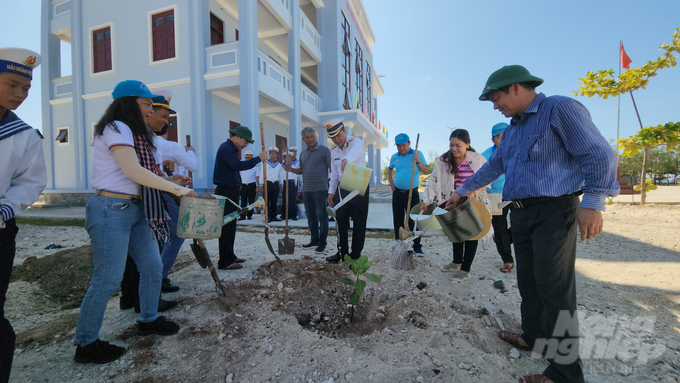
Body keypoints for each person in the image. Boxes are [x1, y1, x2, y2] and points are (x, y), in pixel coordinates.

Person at [449, 65, 619, 383]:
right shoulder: (513, 130)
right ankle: (534, 337)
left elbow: (599, 153)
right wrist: (461, 191)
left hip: (555, 211)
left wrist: (594, 202)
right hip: (521, 212)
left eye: (496, 98)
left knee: (556, 290)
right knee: (529, 281)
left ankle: (565, 373)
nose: (495, 105)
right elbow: (494, 167)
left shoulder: (558, 108)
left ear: (516, 88)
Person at [74, 80, 197, 364]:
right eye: (147, 105)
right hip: (110, 209)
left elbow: (138, 174)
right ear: (130, 103)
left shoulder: (135, 135)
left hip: (136, 208)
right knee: (107, 279)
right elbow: (131, 170)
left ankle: (148, 319)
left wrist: (169, 180)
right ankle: (86, 343)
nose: (150, 110)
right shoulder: (116, 128)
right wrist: (176, 189)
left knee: (153, 267)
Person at [0, 47, 47, 381]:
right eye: (12, 84)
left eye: (26, 88)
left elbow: (31, 182)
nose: (20, 94)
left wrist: (6, 207)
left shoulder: (23, 135)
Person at [421, 129, 490, 279]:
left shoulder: (477, 159)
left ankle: (465, 269)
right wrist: (425, 200)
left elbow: (487, 179)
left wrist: (474, 191)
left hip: (473, 201)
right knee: (455, 230)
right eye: (451, 145)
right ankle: (457, 261)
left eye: (458, 145)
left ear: (467, 144)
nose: (454, 149)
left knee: (471, 233)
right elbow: (433, 180)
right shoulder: (444, 160)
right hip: (453, 201)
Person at [213, 126, 267, 270]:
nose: (245, 145)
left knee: (231, 226)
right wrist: (258, 159)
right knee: (226, 226)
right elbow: (237, 165)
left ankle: (230, 256)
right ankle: (224, 261)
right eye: (245, 142)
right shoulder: (226, 148)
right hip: (226, 191)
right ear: (237, 137)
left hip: (232, 190)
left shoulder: (231, 149)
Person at [324, 119, 369, 262]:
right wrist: (331, 192)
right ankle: (342, 253)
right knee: (340, 222)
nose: (336, 139)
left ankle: (355, 256)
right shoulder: (333, 151)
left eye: (338, 135)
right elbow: (334, 174)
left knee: (359, 223)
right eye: (333, 137)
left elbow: (357, 152)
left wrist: (346, 160)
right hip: (342, 188)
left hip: (359, 186)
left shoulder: (356, 142)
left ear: (344, 131)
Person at [286, 127, 331, 254]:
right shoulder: (303, 153)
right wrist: (291, 170)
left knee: (322, 216)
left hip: (321, 189)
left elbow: (331, 167)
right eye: (307, 137)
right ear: (303, 139)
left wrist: (332, 186)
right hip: (306, 190)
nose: (310, 139)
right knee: (311, 217)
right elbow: (302, 170)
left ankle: (322, 243)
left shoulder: (324, 150)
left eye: (312, 136)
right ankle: (314, 239)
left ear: (315, 136)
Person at [481, 122, 515, 273]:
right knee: (500, 229)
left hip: (515, 193)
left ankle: (505, 239)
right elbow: (480, 176)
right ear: (493, 139)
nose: (504, 139)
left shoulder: (518, 150)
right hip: (494, 195)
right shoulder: (486, 155)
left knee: (522, 223)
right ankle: (507, 260)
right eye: (500, 137)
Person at [388, 133, 429, 256]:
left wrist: (417, 161)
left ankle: (417, 246)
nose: (401, 148)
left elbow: (426, 170)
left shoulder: (417, 154)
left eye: (403, 145)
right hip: (397, 192)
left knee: (414, 220)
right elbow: (390, 169)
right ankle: (400, 243)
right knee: (398, 218)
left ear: (409, 143)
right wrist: (391, 182)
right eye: (398, 146)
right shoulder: (395, 157)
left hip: (412, 193)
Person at [261, 147, 284, 223]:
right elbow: (261, 174)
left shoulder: (279, 165)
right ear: (269, 154)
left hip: (275, 183)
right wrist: (261, 185)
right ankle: (267, 216)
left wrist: (281, 184)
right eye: (271, 154)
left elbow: (281, 175)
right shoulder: (265, 163)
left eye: (274, 154)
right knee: (267, 201)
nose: (273, 155)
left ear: (276, 155)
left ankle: (274, 216)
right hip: (267, 183)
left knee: (274, 200)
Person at [238, 151, 260, 220]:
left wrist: (258, 186)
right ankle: (242, 215)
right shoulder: (242, 165)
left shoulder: (255, 167)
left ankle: (250, 215)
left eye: (249, 158)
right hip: (243, 185)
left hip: (252, 185)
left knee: (251, 201)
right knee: (243, 201)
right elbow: (239, 176)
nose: (248, 159)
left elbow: (257, 177)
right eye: (247, 158)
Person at [281, 148, 299, 221]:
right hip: (285, 182)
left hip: (291, 183)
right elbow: (281, 176)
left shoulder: (293, 166)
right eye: (287, 158)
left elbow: (296, 176)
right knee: (285, 199)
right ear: (284, 158)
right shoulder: (281, 166)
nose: (288, 160)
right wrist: (281, 184)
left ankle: (293, 215)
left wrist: (296, 184)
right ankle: (284, 215)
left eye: (290, 159)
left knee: (292, 199)